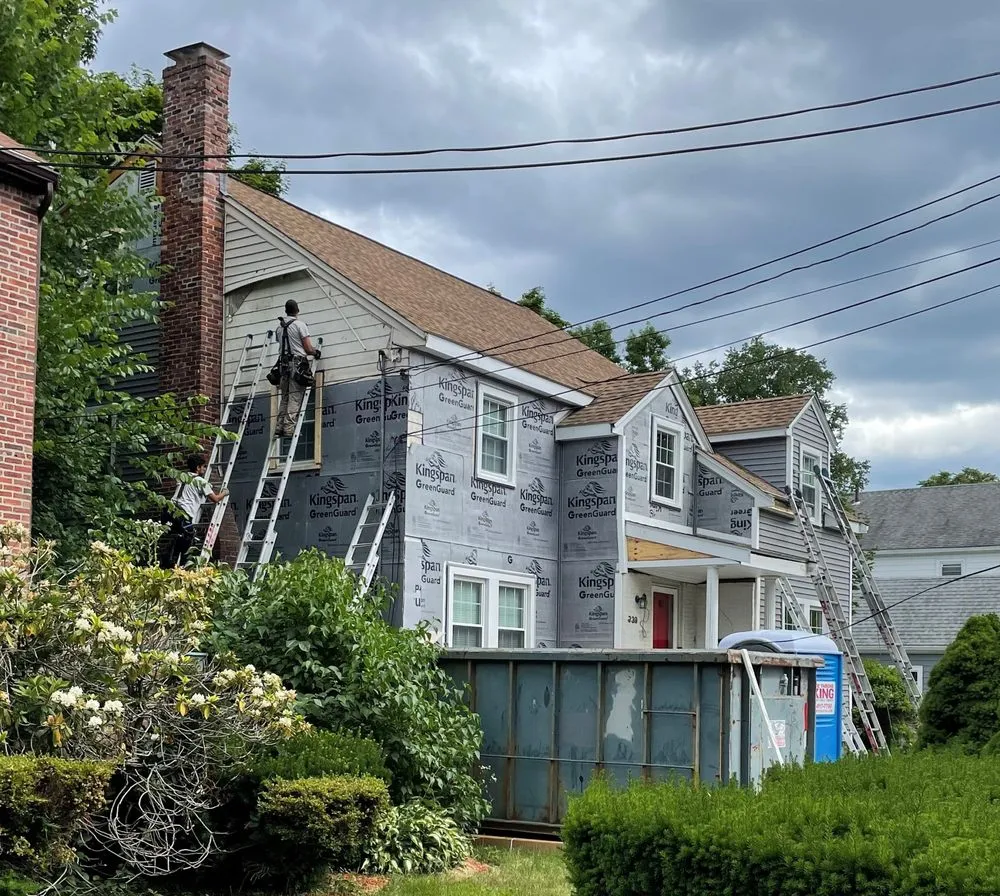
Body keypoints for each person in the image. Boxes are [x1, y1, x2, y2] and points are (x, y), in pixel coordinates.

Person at [161, 453, 228, 568]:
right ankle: (180, 567)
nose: (205, 469)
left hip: (169, 511)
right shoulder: (201, 482)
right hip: (183, 514)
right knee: (187, 540)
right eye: (203, 466)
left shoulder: (183, 477)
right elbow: (215, 499)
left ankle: (170, 563)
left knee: (178, 538)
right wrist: (225, 493)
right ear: (198, 467)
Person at [275, 298, 320, 438]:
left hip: (283, 366)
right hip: (297, 364)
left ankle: (279, 427)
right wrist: (315, 352)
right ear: (297, 311)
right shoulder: (300, 325)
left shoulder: (279, 328)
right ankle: (289, 428)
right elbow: (307, 348)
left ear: (286, 310)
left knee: (285, 397)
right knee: (295, 397)